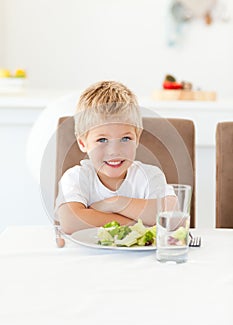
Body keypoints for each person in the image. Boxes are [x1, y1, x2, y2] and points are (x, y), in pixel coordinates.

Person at [55, 81, 176, 234]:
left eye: (125, 139)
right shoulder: (76, 177)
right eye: (102, 140)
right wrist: (135, 224)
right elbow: (71, 221)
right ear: (82, 143)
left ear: (137, 138)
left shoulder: (150, 175)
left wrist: (115, 203)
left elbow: (171, 215)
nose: (114, 151)